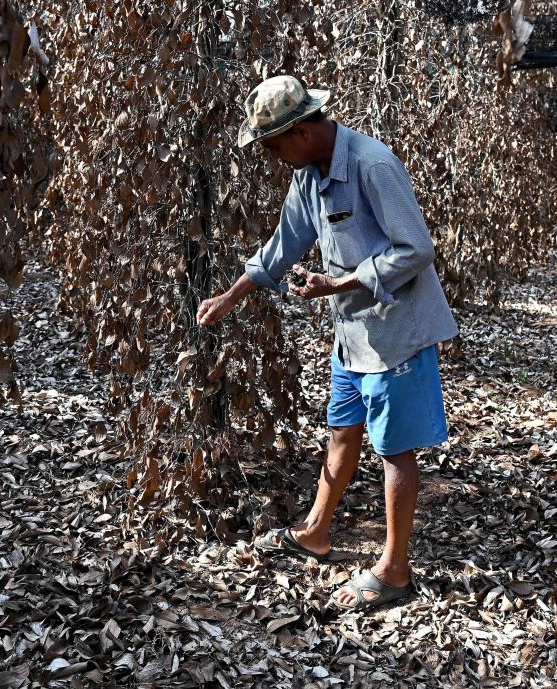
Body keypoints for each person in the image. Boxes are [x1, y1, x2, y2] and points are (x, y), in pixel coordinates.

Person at [196, 75, 459, 611]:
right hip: (352, 335)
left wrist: (338, 283)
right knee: (342, 429)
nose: (271, 156)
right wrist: (230, 296)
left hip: (396, 334)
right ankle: (316, 532)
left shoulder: (371, 164)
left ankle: (394, 571)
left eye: (273, 145)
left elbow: (417, 249)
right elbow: (283, 245)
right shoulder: (309, 177)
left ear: (302, 132)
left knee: (394, 449)